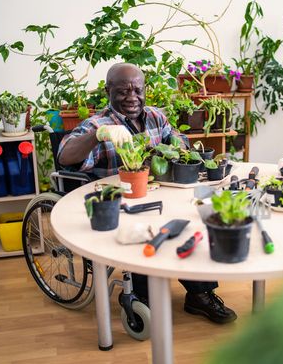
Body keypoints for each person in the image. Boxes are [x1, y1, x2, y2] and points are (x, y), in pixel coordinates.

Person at [58, 63, 237, 324]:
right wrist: (98, 136)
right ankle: (140, 296)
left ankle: (200, 294)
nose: (132, 97)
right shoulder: (97, 124)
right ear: (108, 91)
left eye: (137, 90)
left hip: (159, 197)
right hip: (120, 205)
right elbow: (65, 155)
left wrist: (178, 147)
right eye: (122, 91)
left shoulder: (155, 116)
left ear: (145, 90)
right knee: (145, 231)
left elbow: (178, 143)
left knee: (188, 224)